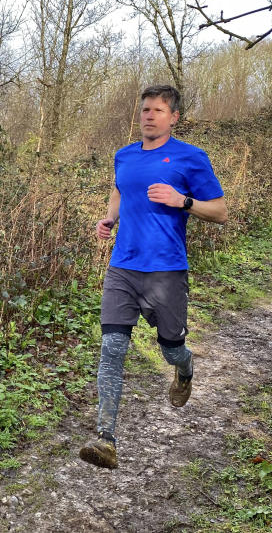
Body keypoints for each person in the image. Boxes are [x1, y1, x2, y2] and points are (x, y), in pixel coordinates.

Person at [79, 85, 227, 469]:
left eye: (158, 110)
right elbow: (119, 191)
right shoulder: (123, 156)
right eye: (145, 109)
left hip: (166, 270)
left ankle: (184, 368)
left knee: (170, 348)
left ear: (174, 117)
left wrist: (183, 201)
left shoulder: (191, 157)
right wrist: (110, 218)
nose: (149, 115)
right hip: (123, 267)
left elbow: (221, 211)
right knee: (112, 349)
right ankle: (105, 439)